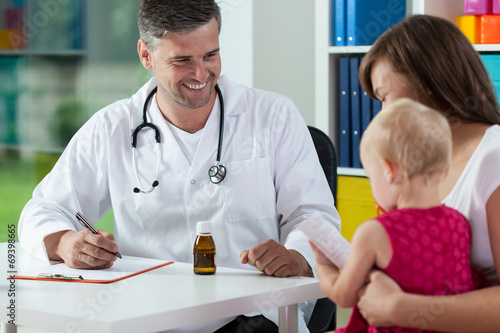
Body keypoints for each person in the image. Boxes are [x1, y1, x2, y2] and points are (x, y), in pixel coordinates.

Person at [17, 0, 341, 332]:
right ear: (146, 55)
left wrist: (298, 257)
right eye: (182, 60)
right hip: (147, 317)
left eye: (210, 55)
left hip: (251, 316)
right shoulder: (112, 128)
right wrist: (64, 242)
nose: (201, 74)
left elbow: (314, 217)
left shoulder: (274, 117)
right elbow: (42, 209)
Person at [353, 15, 500, 332]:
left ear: (429, 83)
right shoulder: (421, 166)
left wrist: (399, 308)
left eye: (384, 96)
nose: (382, 114)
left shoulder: (494, 159)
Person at [311, 98, 488, 332]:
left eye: (371, 178)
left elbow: (344, 296)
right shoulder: (459, 223)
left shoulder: (375, 231)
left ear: (389, 171)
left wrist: (323, 266)